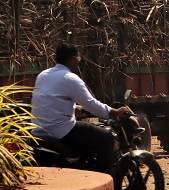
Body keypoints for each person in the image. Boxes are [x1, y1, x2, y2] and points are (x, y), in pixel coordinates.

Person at [31, 44, 132, 173]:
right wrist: (115, 112)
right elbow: (92, 104)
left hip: (39, 130)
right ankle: (105, 180)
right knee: (108, 138)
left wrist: (73, 108)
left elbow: (51, 100)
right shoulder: (70, 78)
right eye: (78, 59)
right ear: (73, 59)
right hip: (61, 131)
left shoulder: (43, 75)